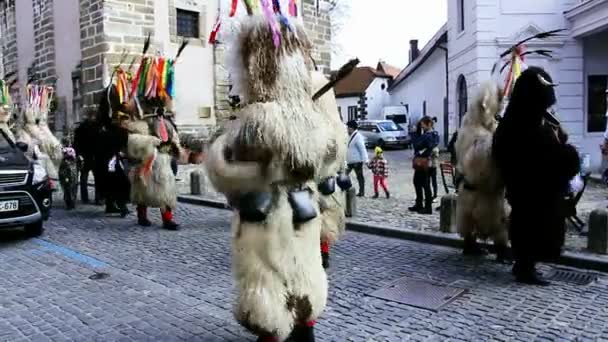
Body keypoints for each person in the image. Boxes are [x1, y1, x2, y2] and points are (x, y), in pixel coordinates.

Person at [205, 14, 333, 342]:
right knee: (303, 282)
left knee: (270, 291)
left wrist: (220, 151)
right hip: (303, 210)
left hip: (267, 216)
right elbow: (330, 158)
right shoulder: (314, 119)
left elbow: (225, 173)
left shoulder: (255, 121)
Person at [493, 67, 580, 285]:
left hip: (529, 187)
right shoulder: (523, 125)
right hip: (531, 188)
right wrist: (567, 154)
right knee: (531, 226)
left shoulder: (522, 121)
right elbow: (544, 155)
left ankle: (523, 264)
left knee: (528, 225)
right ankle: (525, 267)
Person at [409, 116, 439, 214]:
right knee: (418, 182)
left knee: (425, 184)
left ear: (428, 124)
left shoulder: (429, 135)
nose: (421, 127)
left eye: (422, 125)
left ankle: (427, 207)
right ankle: (419, 204)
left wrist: (414, 135)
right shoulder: (431, 134)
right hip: (424, 161)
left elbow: (418, 145)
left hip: (425, 162)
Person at [74, 109, 100, 204]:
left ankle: (85, 198)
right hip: (94, 155)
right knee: (97, 177)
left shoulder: (80, 128)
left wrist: (78, 154)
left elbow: (76, 143)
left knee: (84, 177)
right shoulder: (97, 127)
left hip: (85, 155)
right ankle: (98, 198)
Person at [346, 120, 368, 197]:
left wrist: (366, 160)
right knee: (344, 175)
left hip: (357, 161)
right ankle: (348, 188)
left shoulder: (358, 136)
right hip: (349, 161)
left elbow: (362, 149)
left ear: (351, 128)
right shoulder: (350, 136)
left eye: (348, 128)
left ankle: (361, 192)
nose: (347, 129)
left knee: (359, 177)